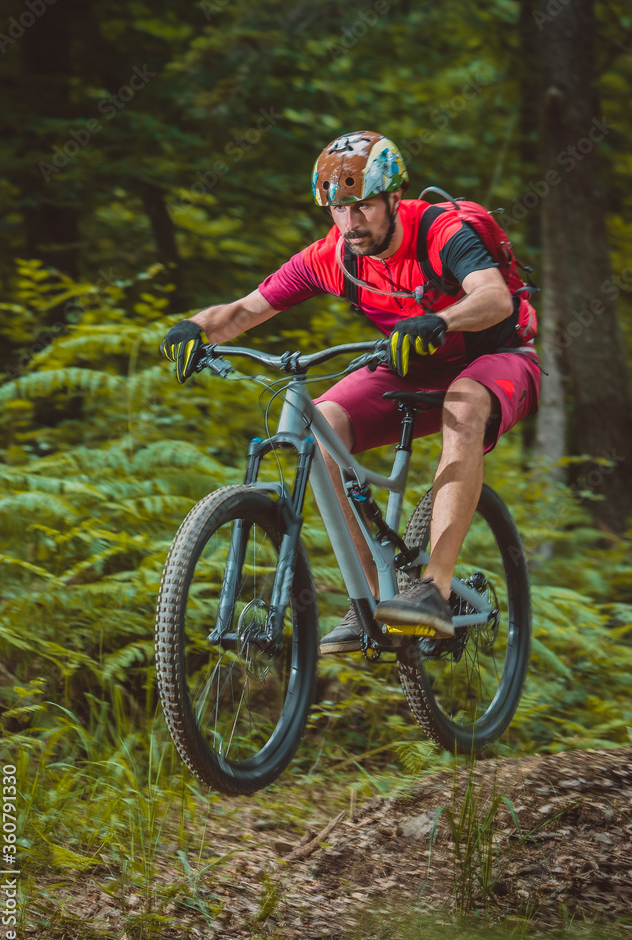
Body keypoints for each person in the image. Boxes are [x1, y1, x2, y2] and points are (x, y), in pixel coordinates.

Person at [161, 130, 541, 655]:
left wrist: (440, 320)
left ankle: (434, 587)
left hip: (497, 358)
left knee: (465, 401)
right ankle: (366, 603)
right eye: (337, 207)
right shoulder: (336, 256)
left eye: (361, 205)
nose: (349, 221)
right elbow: (247, 310)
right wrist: (194, 328)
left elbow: (495, 298)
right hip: (413, 362)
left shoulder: (440, 232)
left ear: (392, 198)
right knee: (323, 424)